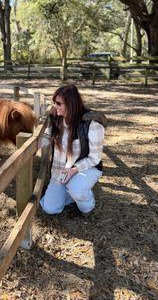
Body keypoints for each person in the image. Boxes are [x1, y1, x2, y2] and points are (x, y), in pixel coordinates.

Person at [40, 84, 106, 216]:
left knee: (76, 188)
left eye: (59, 103)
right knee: (50, 208)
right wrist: (36, 144)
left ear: (70, 104)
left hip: (86, 168)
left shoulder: (92, 124)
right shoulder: (56, 118)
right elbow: (46, 137)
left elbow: (95, 158)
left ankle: (87, 206)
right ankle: (72, 194)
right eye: (54, 102)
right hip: (61, 170)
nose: (55, 106)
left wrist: (74, 170)